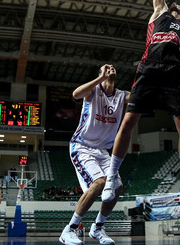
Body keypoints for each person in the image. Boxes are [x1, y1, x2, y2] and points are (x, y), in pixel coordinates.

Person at [101, 0, 180, 209]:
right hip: (148, 69)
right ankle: (111, 177)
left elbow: (178, 51)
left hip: (173, 74)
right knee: (128, 122)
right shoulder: (160, 14)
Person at [59, 64, 130, 245]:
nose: (111, 68)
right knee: (99, 183)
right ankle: (69, 230)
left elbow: (141, 97)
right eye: (106, 67)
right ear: (100, 74)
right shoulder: (93, 91)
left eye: (113, 67)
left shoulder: (122, 95)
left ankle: (98, 228)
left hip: (103, 150)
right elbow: (75, 94)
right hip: (82, 146)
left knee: (117, 186)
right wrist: (100, 79)